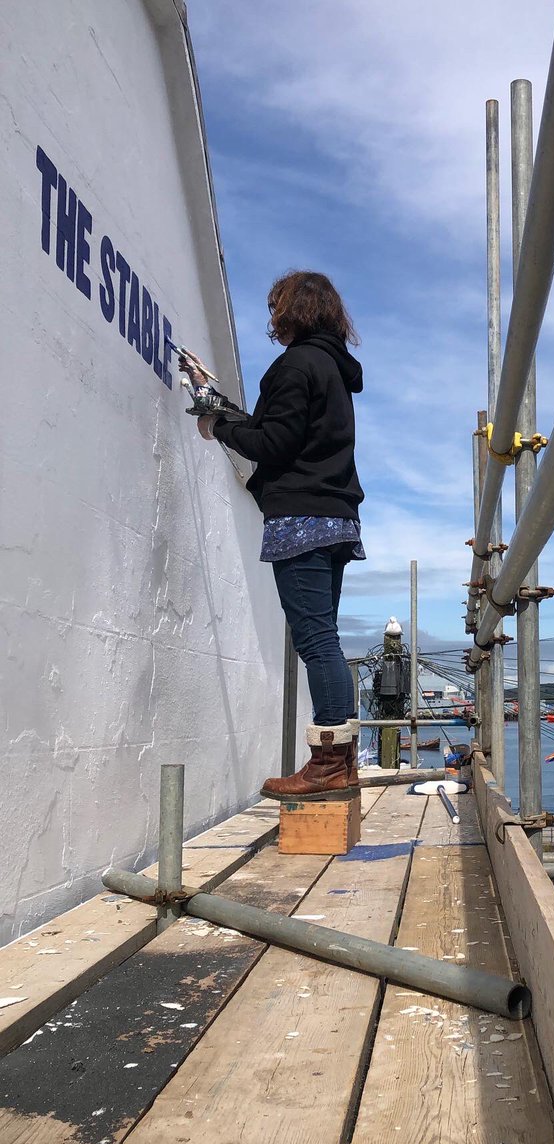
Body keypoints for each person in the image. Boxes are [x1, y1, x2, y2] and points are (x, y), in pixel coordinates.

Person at [191, 271, 365, 800]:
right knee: (324, 637)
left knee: (316, 640)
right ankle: (342, 759)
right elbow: (288, 433)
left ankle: (330, 762)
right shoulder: (331, 367)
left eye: (275, 306)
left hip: (302, 519)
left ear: (294, 310)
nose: (271, 316)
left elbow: (274, 443)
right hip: (334, 516)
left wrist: (216, 426)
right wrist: (225, 409)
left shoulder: (296, 365)